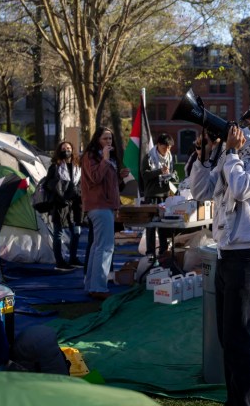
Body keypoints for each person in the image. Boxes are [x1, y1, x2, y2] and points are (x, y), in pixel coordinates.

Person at [189, 106, 250, 406]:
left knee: (238, 337)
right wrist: (206, 154)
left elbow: (241, 189)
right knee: (227, 336)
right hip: (226, 253)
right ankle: (235, 400)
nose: (248, 130)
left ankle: (244, 402)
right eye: (245, 124)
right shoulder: (232, 157)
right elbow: (201, 189)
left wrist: (231, 155)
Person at [81, 127, 130, 300]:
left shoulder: (106, 159)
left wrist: (120, 177)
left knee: (97, 246)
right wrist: (105, 160)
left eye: (110, 139)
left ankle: (92, 285)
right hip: (98, 206)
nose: (108, 142)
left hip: (107, 205)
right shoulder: (91, 156)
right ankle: (99, 287)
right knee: (105, 247)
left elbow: (107, 184)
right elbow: (95, 178)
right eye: (105, 139)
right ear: (97, 140)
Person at [46, 141, 84, 271]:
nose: (66, 150)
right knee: (58, 233)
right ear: (59, 150)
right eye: (63, 148)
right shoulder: (55, 166)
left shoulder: (78, 166)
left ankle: (73, 258)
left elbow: (81, 183)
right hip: (60, 204)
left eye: (68, 148)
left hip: (75, 204)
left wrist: (77, 192)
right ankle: (60, 261)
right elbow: (48, 184)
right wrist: (61, 188)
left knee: (76, 232)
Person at [140, 133, 178, 257]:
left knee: (164, 225)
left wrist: (172, 175)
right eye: (164, 147)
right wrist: (159, 171)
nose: (167, 150)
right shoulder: (149, 157)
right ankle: (150, 253)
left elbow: (171, 170)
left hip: (165, 195)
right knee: (151, 226)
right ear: (158, 145)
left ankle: (163, 252)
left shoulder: (169, 156)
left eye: (169, 148)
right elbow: (145, 175)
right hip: (152, 195)